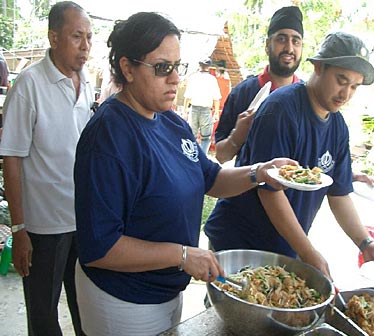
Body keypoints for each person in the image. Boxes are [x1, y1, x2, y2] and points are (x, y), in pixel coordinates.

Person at [73, 12, 295, 336]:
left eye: (178, 66)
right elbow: (100, 248)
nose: (175, 79)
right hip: (124, 302)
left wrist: (259, 172)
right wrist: (181, 255)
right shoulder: (109, 138)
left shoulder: (170, 121)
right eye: (163, 68)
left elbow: (211, 178)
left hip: (167, 290)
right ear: (127, 68)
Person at [205, 32, 374, 280]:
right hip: (240, 242)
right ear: (318, 67)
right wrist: (308, 252)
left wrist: (365, 243)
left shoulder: (338, 127)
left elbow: (339, 193)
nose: (345, 93)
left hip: (282, 247)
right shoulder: (281, 109)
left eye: (354, 87)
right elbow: (270, 191)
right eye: (341, 80)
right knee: (231, 316)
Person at [0, 2, 94, 335]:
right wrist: (20, 228)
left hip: (81, 221)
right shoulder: (29, 85)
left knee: (86, 309)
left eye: (89, 37)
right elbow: (11, 156)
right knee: (43, 315)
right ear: (54, 37)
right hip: (43, 227)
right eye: (76, 37)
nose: (85, 47)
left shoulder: (87, 83)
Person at [214, 6, 304, 164]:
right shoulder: (242, 93)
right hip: (246, 188)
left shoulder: (308, 98)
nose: (289, 48)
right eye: (281, 39)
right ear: (267, 45)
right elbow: (221, 156)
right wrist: (237, 136)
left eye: (295, 41)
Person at [183, 58, 221, 154]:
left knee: (192, 136)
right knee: (205, 138)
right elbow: (216, 98)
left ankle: (192, 155)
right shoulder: (212, 80)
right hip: (206, 110)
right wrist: (216, 113)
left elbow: (187, 97)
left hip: (194, 109)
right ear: (209, 67)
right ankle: (203, 157)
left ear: (199, 66)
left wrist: (185, 110)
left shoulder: (193, 77)